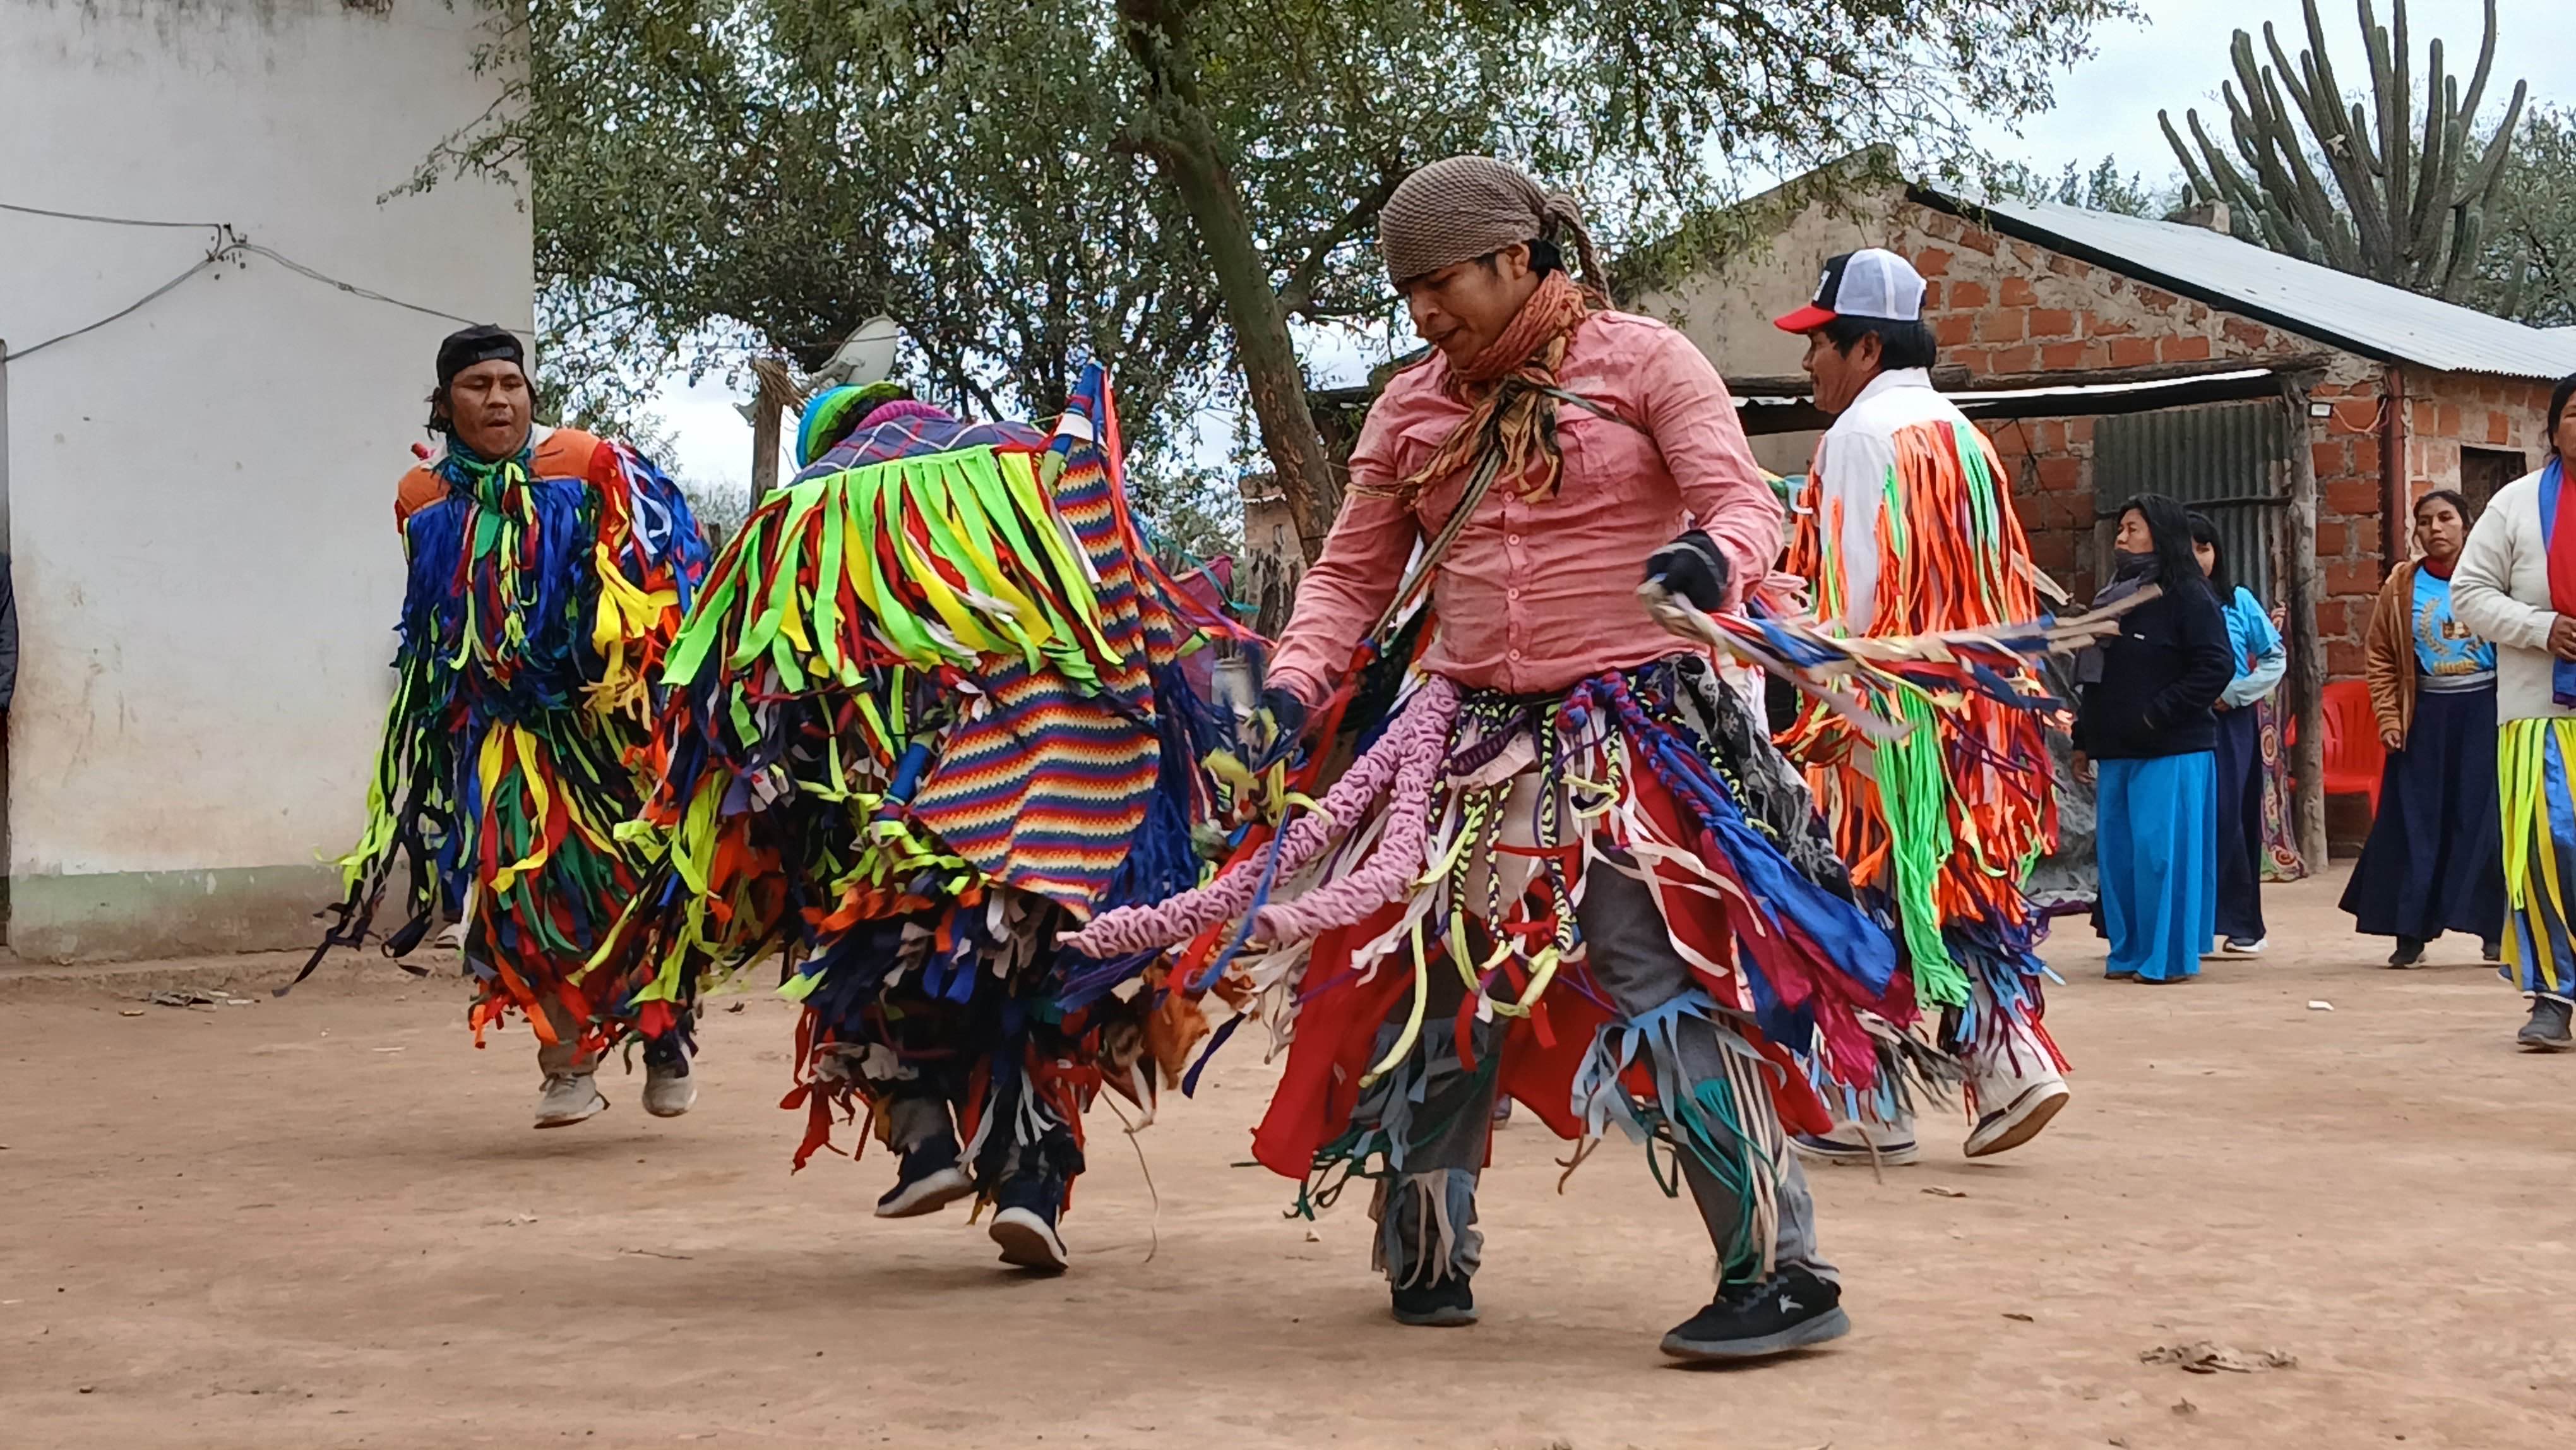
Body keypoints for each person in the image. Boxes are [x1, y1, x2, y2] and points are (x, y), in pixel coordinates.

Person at [1067, 157, 1908, 1361]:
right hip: (1463, 744)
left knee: (1646, 969)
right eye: (1404, 290)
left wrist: (1709, 566)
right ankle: (1423, 1248)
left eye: (1440, 281)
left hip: (1635, 733)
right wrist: (1293, 689)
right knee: (1429, 977)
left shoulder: (1646, 363)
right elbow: (1351, 577)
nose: (1422, 313)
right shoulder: (1413, 408)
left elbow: (1742, 505)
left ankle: (1780, 1267)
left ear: (1520, 259)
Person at [608, 367, 1241, 1271]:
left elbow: (745, 687)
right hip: (1049, 784)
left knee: (863, 969)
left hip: (888, 800)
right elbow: (1131, 612)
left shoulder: (805, 508)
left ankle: (924, 1143)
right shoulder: (1024, 465)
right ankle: (1033, 1190)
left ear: (825, 439)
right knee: (1043, 985)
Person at [302, 324, 711, 1127]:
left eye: (510, 383)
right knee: (515, 891)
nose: (497, 398)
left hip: (604, 726)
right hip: (499, 737)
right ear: (445, 404)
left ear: (530, 393)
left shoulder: (590, 464)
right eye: (477, 386)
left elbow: (671, 568)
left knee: (634, 885)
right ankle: (567, 1059)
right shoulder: (420, 498)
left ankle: (665, 1037)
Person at [1773, 248, 2070, 1165]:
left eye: (1819, 343)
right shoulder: (1960, 433)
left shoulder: (1860, 439)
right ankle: (2010, 1059)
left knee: (1859, 886)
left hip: (1887, 708)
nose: (1809, 364)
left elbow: (1858, 597)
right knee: (1946, 884)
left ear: (1865, 346)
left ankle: (1871, 1100)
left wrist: (1812, 677)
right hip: (1972, 710)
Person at [2447, 373, 2576, 1050]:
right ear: (2553, 429)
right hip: (2540, 711)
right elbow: (2468, 594)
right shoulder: (2516, 504)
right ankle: (2553, 993)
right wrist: (2541, 627)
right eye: (2575, 414)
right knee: (2550, 846)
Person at [2074, 494, 2236, 985]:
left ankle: (2167, 957)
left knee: (2159, 855)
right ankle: (2128, 952)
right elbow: (2095, 678)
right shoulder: (2115, 595)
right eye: (2121, 529)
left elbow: (2216, 665)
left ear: (2160, 534)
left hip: (2171, 745)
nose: (2122, 538)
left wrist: (2156, 715)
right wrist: (2084, 738)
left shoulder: (2187, 593)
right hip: (2118, 747)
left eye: (2133, 529)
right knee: (2120, 858)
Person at [2341, 489, 2505, 967]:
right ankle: (2410, 931)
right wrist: (2390, 718)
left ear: (2466, 525)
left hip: (2487, 711)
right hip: (2426, 713)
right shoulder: (2402, 585)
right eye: (2425, 521)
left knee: (2484, 823)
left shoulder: (2493, 578)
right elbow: (2382, 656)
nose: (2435, 529)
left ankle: (2491, 928)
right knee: (2414, 822)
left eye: (2446, 518)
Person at [2187, 513, 2286, 957]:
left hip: (2229, 723)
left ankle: (2242, 923)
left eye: (2204, 548)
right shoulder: (2162, 601)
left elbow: (2273, 658)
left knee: (2228, 815)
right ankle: (2188, 924)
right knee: (2187, 820)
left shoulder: (2238, 601)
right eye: (2187, 548)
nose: (2196, 558)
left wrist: (2235, 693)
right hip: (2181, 722)